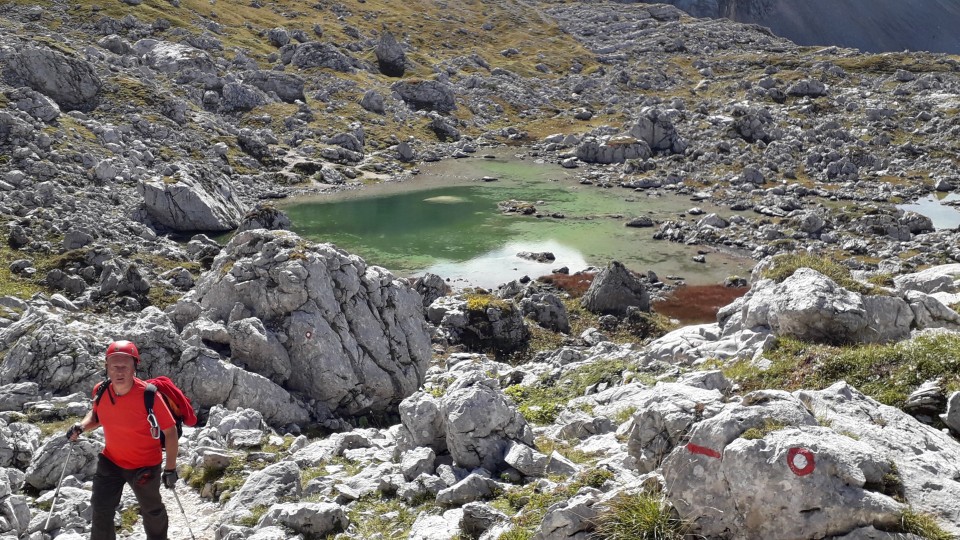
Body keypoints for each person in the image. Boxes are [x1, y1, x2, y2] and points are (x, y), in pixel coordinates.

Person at [67, 340, 179, 540]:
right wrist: (82, 426)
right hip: (111, 461)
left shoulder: (148, 395)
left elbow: (170, 432)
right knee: (101, 508)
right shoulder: (100, 390)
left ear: (134, 367)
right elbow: (96, 417)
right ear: (107, 367)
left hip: (145, 465)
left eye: (124, 366)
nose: (119, 371)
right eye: (114, 366)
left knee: (151, 511)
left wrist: (170, 469)